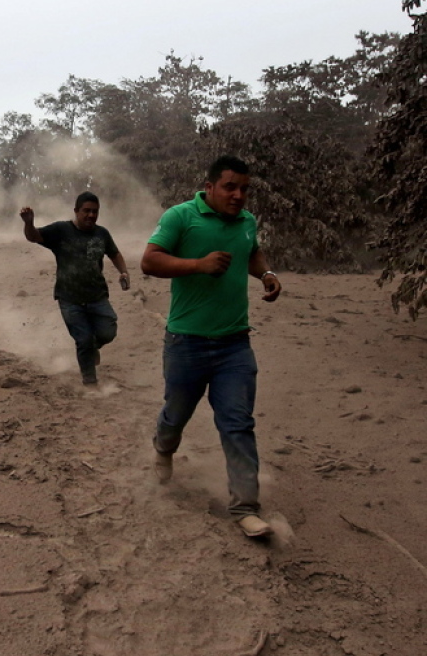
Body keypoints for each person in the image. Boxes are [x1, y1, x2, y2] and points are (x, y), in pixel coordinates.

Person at [140, 155, 282, 539]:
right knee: (176, 414)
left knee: (238, 424)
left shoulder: (247, 221)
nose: (239, 195)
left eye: (245, 189)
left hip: (235, 345)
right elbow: (149, 262)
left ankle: (246, 508)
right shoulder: (181, 217)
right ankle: (163, 449)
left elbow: (251, 252)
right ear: (210, 187)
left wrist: (266, 274)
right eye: (230, 187)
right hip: (186, 343)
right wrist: (198, 265)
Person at [20, 192, 129, 386]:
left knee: (108, 332)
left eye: (95, 212)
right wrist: (28, 223)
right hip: (69, 298)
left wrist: (124, 272)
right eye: (86, 211)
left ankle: (92, 348)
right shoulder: (61, 230)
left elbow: (115, 253)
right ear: (76, 211)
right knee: (83, 339)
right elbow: (34, 236)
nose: (91, 215)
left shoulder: (101, 233)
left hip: (97, 296)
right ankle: (90, 383)